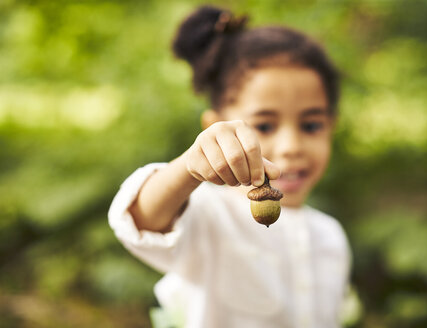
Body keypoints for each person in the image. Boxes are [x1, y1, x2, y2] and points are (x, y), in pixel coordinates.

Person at [109, 5, 351, 328]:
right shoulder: (207, 216)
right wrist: (188, 168)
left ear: (331, 126)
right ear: (215, 126)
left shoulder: (331, 237)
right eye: (264, 126)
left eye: (310, 126)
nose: (292, 147)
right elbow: (142, 220)